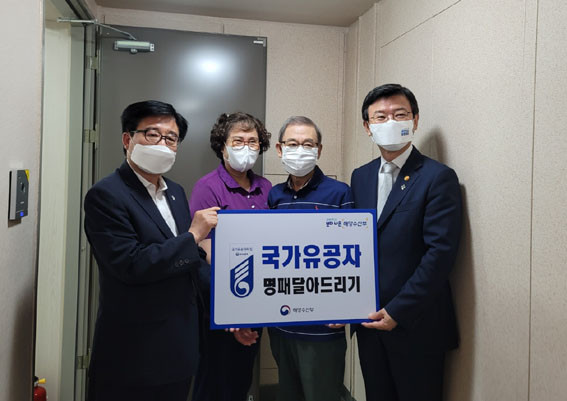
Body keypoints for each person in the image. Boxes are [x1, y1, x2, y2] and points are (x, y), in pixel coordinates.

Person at [83, 100, 218, 401]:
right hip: (133, 354)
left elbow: (183, 260)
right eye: (152, 134)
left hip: (179, 348)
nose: (162, 144)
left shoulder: (175, 192)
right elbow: (130, 264)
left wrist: (229, 311)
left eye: (171, 138)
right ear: (127, 139)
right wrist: (194, 236)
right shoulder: (107, 195)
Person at [350, 84, 462, 401]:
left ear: (414, 120)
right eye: (380, 117)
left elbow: (440, 254)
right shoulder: (360, 176)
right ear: (367, 127)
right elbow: (355, 245)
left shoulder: (437, 177)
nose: (390, 122)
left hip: (416, 324)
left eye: (399, 114)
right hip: (369, 322)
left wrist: (398, 310)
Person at [267, 116, 353, 401]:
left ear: (319, 150)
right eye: (292, 144)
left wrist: (346, 308)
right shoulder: (275, 195)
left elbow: (354, 255)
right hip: (281, 323)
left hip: (323, 327)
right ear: (279, 149)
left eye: (308, 144)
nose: (300, 150)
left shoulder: (340, 193)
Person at [189, 112, 272, 401]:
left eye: (253, 141)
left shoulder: (265, 188)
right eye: (238, 141)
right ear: (222, 147)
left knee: (240, 377)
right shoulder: (208, 187)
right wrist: (234, 311)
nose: (246, 147)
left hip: (256, 297)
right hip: (220, 299)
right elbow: (206, 249)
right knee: (214, 380)